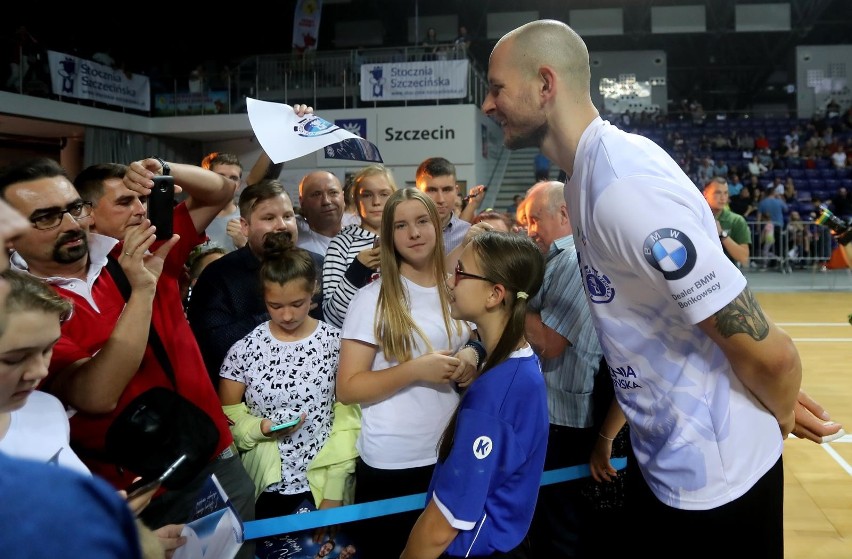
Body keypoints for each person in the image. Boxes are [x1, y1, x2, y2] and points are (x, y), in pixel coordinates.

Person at [481, 19, 835, 556]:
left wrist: (775, 408)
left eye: (497, 88)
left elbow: (774, 356)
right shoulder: (583, 180)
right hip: (666, 458)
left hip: (718, 479)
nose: (488, 104)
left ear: (545, 84)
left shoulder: (625, 191)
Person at [0, 156, 257, 559]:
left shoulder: (134, 249)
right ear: (10, 235)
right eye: (47, 217)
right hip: (131, 495)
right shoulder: (21, 309)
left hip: (210, 458)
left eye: (73, 209)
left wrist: (160, 170)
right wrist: (142, 291)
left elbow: (221, 191)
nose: (70, 224)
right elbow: (97, 395)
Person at [0, 268, 187, 558]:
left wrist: (119, 532)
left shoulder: (47, 408)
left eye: (48, 349)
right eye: (15, 358)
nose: (40, 371)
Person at [335, 188, 478, 558]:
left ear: (438, 225)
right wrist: (414, 370)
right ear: (389, 236)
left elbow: (481, 339)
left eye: (421, 221)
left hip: (451, 453)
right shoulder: (372, 299)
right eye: (401, 225)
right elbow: (348, 388)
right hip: (395, 461)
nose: (414, 233)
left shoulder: (456, 290)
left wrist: (471, 356)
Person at [400, 231, 547, 559]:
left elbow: (441, 527)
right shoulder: (516, 363)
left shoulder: (495, 395)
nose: (451, 282)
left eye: (461, 273)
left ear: (495, 295)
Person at [219, 231, 342, 520]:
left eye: (297, 304)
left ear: (314, 289)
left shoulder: (336, 343)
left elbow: (349, 420)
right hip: (263, 484)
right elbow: (228, 414)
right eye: (275, 306)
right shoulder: (245, 348)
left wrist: (335, 489)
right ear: (262, 296)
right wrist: (259, 428)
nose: (287, 316)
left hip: (323, 484)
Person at [519, 181, 607, 557]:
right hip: (554, 413)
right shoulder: (559, 259)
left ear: (565, 214)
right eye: (525, 222)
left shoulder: (572, 261)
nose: (529, 230)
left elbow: (549, 343)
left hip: (563, 419)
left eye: (535, 219)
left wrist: (508, 292)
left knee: (559, 527)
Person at [188, 178, 324, 387]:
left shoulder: (318, 266)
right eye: (269, 218)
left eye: (288, 216)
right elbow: (211, 344)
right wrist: (274, 315)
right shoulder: (218, 276)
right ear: (244, 226)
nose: (281, 225)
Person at [322, 164, 396, 328]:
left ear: (394, 197)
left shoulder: (406, 238)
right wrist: (357, 270)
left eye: (384, 194)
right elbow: (331, 318)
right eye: (367, 195)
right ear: (356, 200)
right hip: (359, 340)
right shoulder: (341, 244)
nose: (376, 202)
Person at [415, 157, 471, 254]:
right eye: (431, 190)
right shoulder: (404, 233)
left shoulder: (469, 235)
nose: (440, 199)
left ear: (456, 191)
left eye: (447, 190)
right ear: (417, 193)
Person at [200, 152, 247, 253]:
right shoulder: (193, 217)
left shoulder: (247, 221)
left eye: (233, 178)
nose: (228, 182)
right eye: (221, 176)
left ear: (239, 185)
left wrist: (244, 245)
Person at [703, 177, 751, 268]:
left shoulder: (737, 220)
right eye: (718, 192)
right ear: (705, 194)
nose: (723, 197)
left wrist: (722, 234)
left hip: (726, 277)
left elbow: (744, 258)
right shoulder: (695, 218)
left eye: (725, 193)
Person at [297, 170, 346, 256]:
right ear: (302, 202)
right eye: (316, 194)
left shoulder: (361, 239)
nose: (326, 201)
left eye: (333, 193)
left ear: (343, 197)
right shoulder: (295, 240)